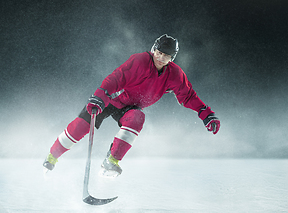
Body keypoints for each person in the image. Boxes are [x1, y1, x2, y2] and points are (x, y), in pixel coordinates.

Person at [43, 34, 220, 177]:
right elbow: (116, 78)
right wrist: (99, 97)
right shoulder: (141, 61)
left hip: (130, 107)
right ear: (153, 50)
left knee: (137, 118)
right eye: (158, 52)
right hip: (111, 99)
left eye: (166, 56)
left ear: (171, 58)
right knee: (81, 126)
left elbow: (188, 96)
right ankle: (52, 157)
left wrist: (206, 114)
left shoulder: (174, 74)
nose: (160, 57)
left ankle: (111, 162)